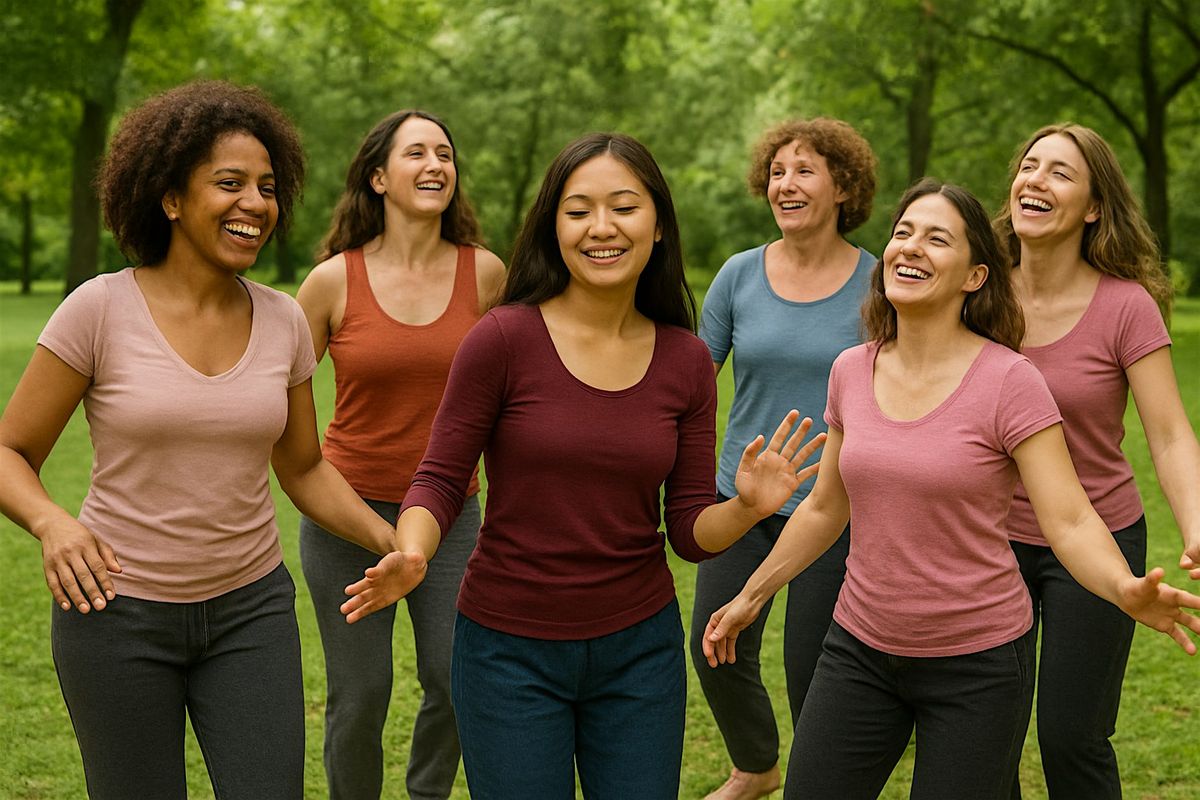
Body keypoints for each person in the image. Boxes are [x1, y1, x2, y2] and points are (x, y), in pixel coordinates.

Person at [339, 132, 826, 799]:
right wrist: (415, 551)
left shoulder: (685, 360)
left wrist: (745, 508)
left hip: (639, 656)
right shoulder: (502, 338)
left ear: (658, 225)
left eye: (624, 207)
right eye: (578, 211)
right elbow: (442, 478)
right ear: (553, 227)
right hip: (506, 651)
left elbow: (688, 532)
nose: (601, 227)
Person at [703, 179, 1200, 800]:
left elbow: (1070, 519)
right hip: (858, 650)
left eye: (937, 239)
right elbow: (826, 507)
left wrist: (1122, 588)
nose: (910, 247)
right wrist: (752, 595)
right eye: (903, 233)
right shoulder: (852, 370)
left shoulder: (1011, 381)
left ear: (974, 276)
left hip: (978, 667)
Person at [0, 81, 398, 799]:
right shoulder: (99, 308)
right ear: (170, 199)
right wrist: (52, 523)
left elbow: (303, 467)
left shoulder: (282, 320)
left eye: (267, 188)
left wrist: (389, 541)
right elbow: (10, 452)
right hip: (114, 614)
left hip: (251, 613)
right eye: (230, 183)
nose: (256, 204)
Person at [295, 109, 504, 800]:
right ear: (378, 177)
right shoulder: (331, 282)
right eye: (417, 153)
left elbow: (521, 392)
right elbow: (276, 398)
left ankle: (426, 794)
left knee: (454, 677)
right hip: (346, 517)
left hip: (452, 518)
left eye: (445, 153)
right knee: (361, 692)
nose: (436, 164)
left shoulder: (487, 275)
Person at [995, 123, 1200, 798]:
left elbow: (1168, 434)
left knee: (1071, 736)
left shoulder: (1124, 306)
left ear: (1093, 208)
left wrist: (1196, 525)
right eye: (1030, 166)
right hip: (988, 540)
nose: (1036, 180)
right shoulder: (979, 294)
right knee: (984, 735)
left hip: (1099, 538)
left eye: (1060, 172)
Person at [690, 117, 877, 800]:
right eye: (776, 172)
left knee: (813, 669)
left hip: (835, 508)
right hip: (742, 500)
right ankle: (757, 766)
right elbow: (691, 385)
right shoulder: (739, 275)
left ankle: (818, 782)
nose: (785, 184)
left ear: (843, 187)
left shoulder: (879, 283)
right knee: (714, 645)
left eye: (804, 171)